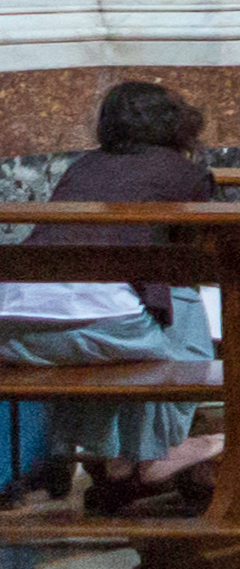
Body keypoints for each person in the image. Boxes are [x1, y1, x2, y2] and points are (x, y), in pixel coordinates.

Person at [0, 83, 223, 512]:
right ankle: (157, 454)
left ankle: (114, 459)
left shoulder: (82, 166)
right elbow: (203, 255)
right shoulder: (184, 172)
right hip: (104, 327)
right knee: (177, 299)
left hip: (13, 326)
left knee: (134, 316)